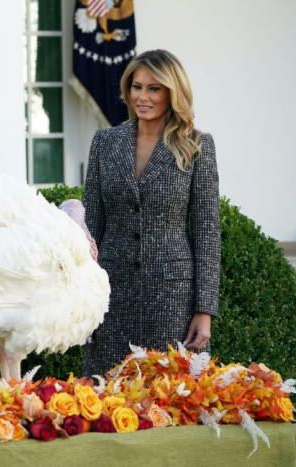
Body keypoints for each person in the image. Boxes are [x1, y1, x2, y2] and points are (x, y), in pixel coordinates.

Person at [82, 49, 220, 377]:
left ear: (172, 92)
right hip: (111, 295)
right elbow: (89, 228)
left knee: (172, 398)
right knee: (109, 400)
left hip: (173, 298)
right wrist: (84, 299)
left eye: (153, 89)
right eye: (136, 87)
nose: (142, 97)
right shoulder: (105, 142)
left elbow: (207, 230)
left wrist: (205, 310)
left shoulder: (197, 145)